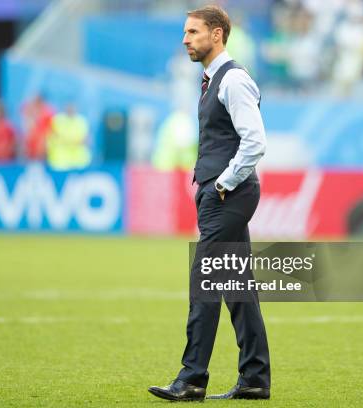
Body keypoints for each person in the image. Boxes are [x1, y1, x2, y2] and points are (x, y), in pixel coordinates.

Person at [148, 5, 270, 402]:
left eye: (193, 31)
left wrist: (223, 182)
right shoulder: (212, 79)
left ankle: (192, 378)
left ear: (217, 34)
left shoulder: (232, 79)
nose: (185, 39)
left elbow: (255, 141)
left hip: (229, 195)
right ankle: (254, 378)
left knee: (204, 279)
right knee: (236, 286)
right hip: (222, 194)